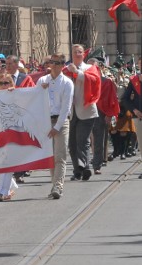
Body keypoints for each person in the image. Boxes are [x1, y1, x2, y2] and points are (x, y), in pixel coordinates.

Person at [37, 53, 74, 199]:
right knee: (50, 156)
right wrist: (41, 89)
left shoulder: (67, 83)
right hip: (45, 121)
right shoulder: (42, 80)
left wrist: (57, 127)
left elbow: (66, 108)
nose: (54, 65)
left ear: (63, 65)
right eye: (52, 62)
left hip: (61, 121)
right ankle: (54, 183)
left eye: (57, 63)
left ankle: (58, 186)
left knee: (60, 155)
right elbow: (34, 99)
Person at [66, 44, 100, 181]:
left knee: (83, 140)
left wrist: (77, 73)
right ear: (72, 54)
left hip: (87, 110)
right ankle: (79, 170)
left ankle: (83, 166)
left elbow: (94, 81)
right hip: (70, 112)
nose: (77, 54)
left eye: (80, 52)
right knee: (72, 144)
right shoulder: (65, 69)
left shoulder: (90, 68)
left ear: (83, 54)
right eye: (75, 52)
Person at [0, 75, 19, 201]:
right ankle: (11, 186)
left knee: (7, 162)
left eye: (7, 82)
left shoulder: (17, 94)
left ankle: (2, 192)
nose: (4, 85)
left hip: (12, 131)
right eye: (1, 83)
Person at [93, 64, 119, 174]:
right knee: (85, 141)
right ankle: (81, 166)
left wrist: (109, 114)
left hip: (100, 113)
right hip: (84, 112)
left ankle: (97, 164)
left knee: (99, 139)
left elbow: (110, 98)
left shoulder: (106, 82)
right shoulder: (82, 81)